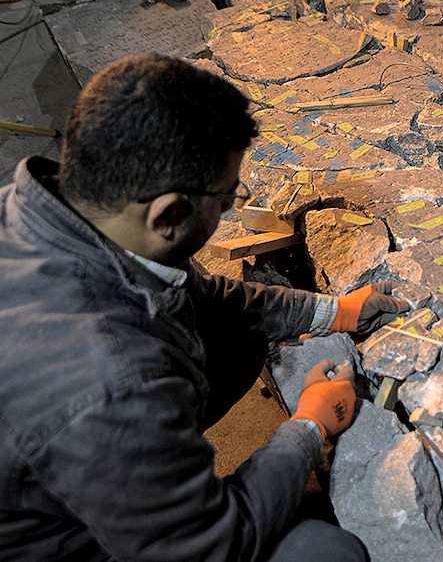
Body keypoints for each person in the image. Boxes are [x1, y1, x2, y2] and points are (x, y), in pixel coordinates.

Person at [0, 53, 408, 562]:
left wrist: (333, 311)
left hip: (60, 457)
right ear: (169, 213)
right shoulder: (111, 381)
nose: (232, 206)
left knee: (235, 334)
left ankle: (159, 472)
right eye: (226, 196)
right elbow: (211, 546)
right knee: (325, 552)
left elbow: (209, 298)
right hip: (55, 544)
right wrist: (306, 430)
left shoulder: (50, 210)